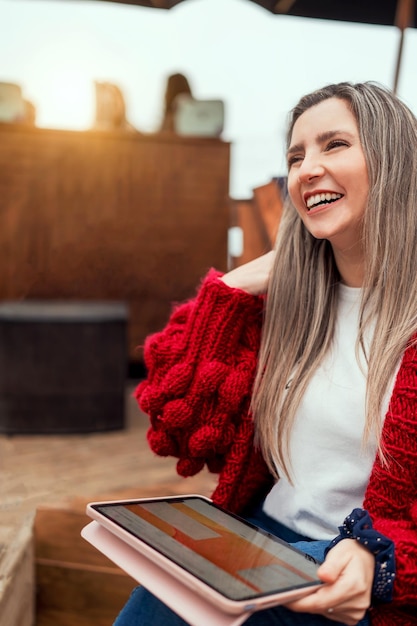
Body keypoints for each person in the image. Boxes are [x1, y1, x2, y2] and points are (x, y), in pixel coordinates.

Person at [114, 81, 417, 625]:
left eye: (335, 145)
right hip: (257, 537)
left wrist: (386, 563)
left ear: (394, 163)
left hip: (347, 570)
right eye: (296, 155)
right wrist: (229, 290)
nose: (306, 169)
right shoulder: (283, 307)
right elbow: (175, 422)